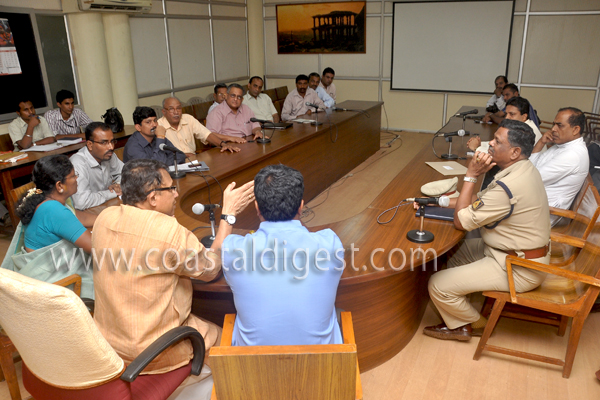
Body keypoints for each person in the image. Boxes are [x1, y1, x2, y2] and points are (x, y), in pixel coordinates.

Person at [92, 158, 254, 395]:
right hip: (154, 349)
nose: (177, 193)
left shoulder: (104, 218)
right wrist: (228, 216)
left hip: (108, 345)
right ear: (153, 198)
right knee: (230, 341)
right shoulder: (167, 232)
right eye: (171, 188)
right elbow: (211, 269)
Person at [423, 119, 550, 341]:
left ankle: (471, 325)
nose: (490, 143)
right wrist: (437, 202)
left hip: (519, 267)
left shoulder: (509, 186)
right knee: (456, 254)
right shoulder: (523, 169)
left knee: (437, 285)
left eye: (497, 141)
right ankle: (459, 300)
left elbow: (461, 221)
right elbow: (478, 200)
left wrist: (471, 175)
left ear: (514, 152)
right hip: (508, 250)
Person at [222, 164, 344, 346]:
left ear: (257, 207)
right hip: (321, 362)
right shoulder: (330, 245)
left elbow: (211, 260)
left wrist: (228, 214)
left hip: (251, 363)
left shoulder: (233, 250)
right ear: (301, 206)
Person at [1, 155, 96, 299]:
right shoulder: (54, 210)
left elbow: (77, 217)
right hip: (53, 285)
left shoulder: (44, 200)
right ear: (59, 186)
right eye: (73, 176)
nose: (77, 178)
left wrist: (108, 217)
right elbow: (95, 247)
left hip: (38, 277)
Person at [530, 107, 589, 226]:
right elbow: (531, 165)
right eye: (554, 124)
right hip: (534, 203)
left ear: (575, 130)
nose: (553, 129)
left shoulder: (573, 155)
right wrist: (541, 142)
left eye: (559, 125)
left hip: (540, 214)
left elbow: (531, 179)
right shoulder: (562, 146)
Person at [159, 97, 244, 155]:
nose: (176, 112)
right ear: (164, 112)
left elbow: (207, 134)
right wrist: (185, 155)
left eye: (178, 108)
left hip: (193, 161)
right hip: (174, 165)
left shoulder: (188, 119)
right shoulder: (159, 126)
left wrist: (223, 144)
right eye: (171, 109)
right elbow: (161, 154)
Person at [70, 122, 123, 210]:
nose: (111, 147)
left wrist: (117, 184)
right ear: (90, 145)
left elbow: (128, 175)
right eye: (104, 143)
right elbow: (82, 201)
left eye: (112, 141)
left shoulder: (109, 155)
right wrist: (113, 192)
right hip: (86, 213)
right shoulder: (78, 163)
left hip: (106, 206)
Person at [468, 96, 543, 153]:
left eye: (512, 114)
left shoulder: (526, 133)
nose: (507, 117)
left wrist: (477, 148)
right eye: (506, 114)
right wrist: (480, 144)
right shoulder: (521, 126)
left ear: (524, 117)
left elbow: (502, 156)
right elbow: (499, 144)